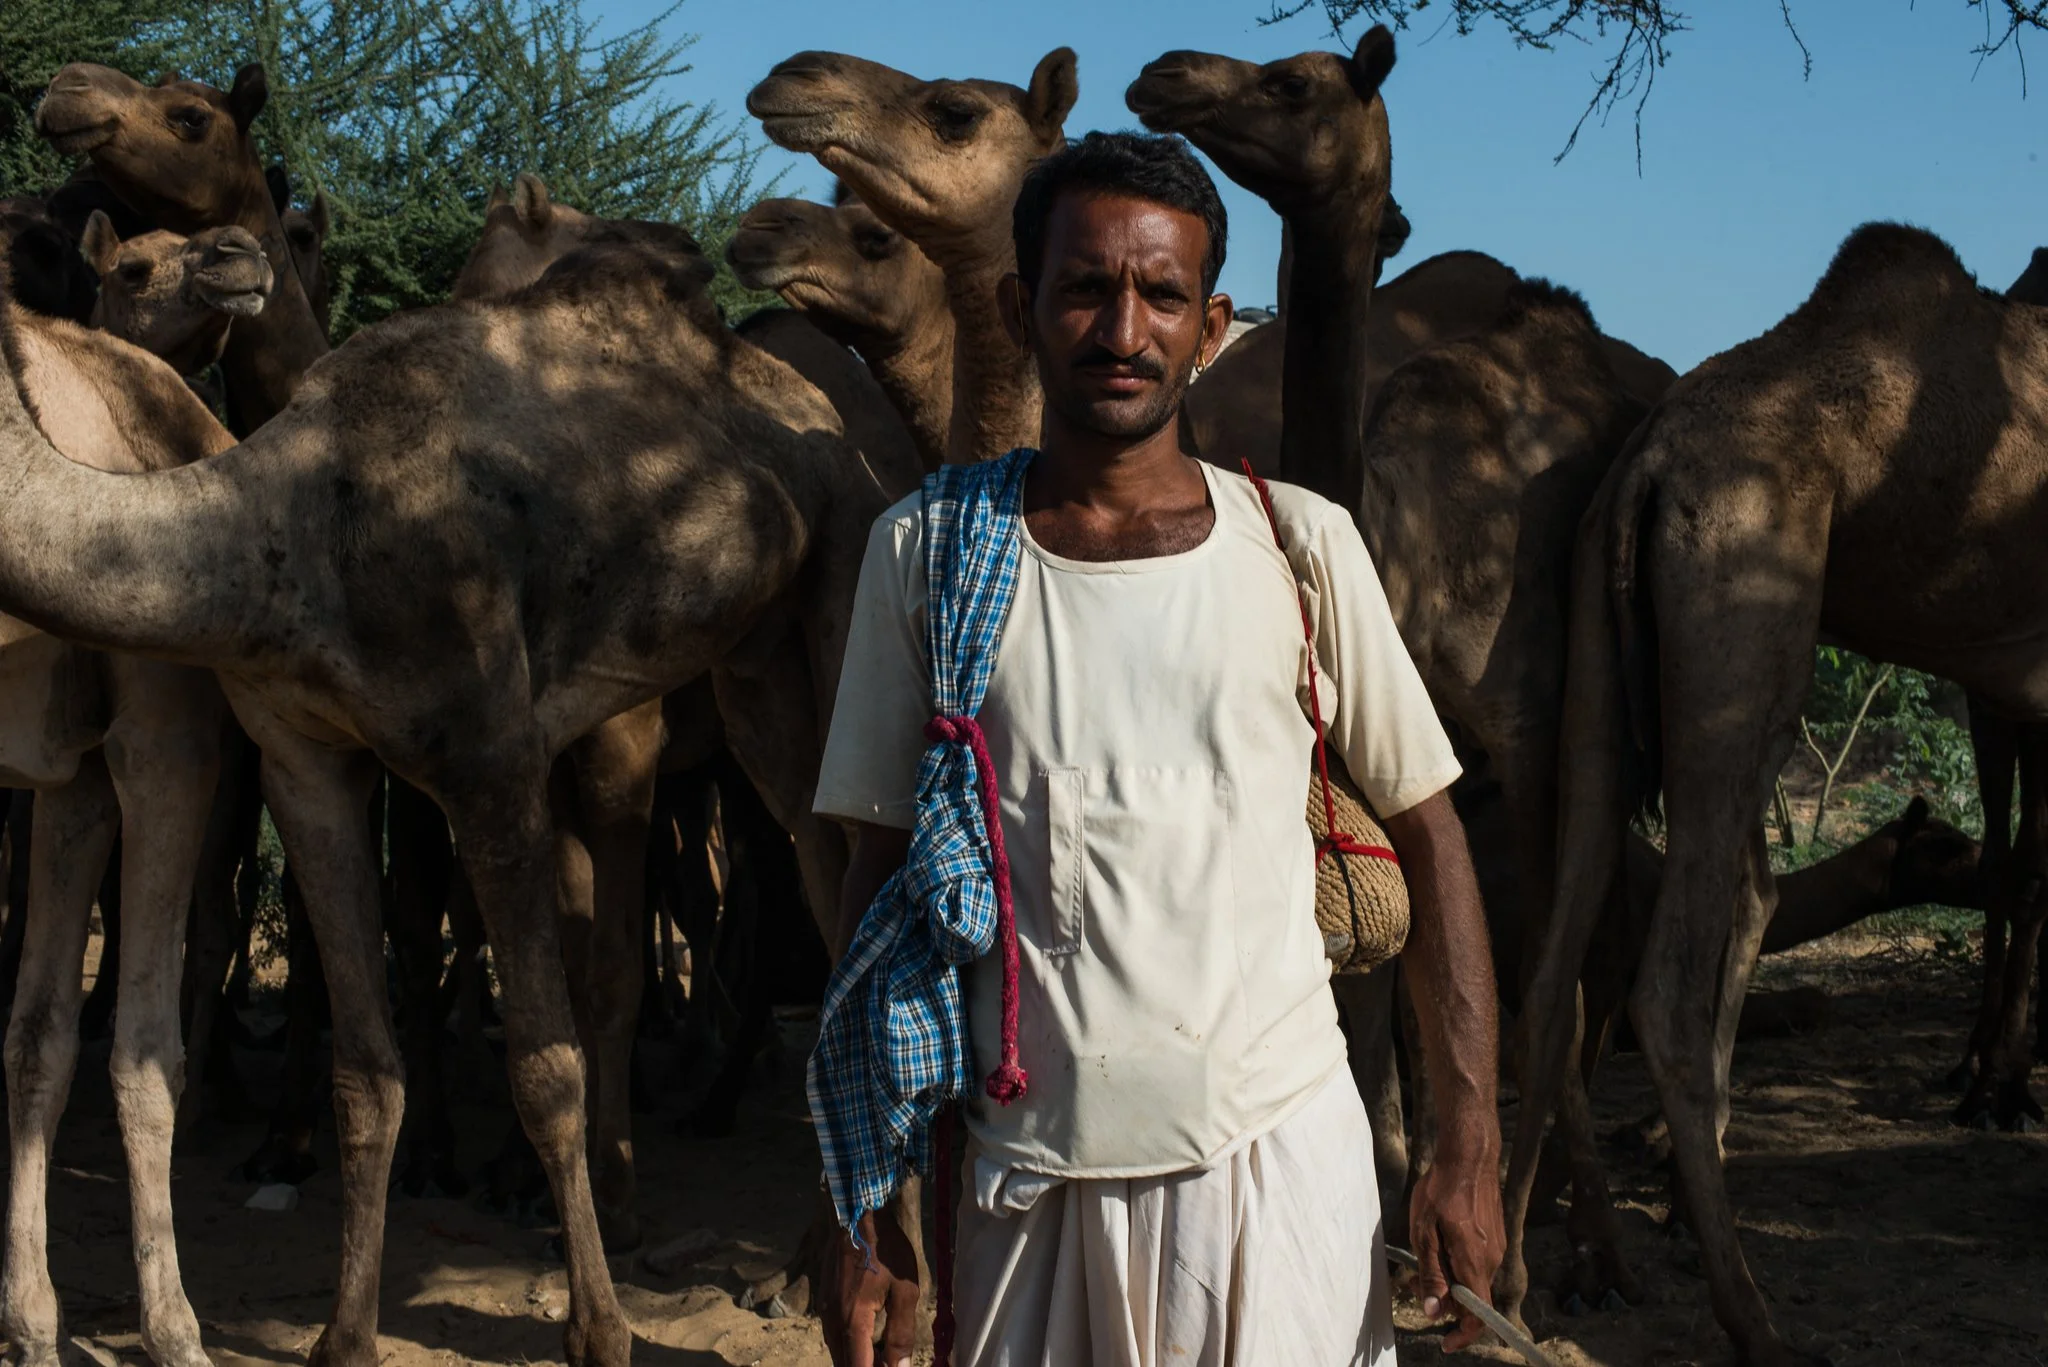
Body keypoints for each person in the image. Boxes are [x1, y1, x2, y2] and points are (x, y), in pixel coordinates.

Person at [809, 129, 1504, 1367]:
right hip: (1025, 1180)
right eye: (1084, 287)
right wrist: (859, 1196)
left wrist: (1469, 1142)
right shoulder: (927, 558)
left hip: (1274, 1159)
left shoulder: (1296, 546)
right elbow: (874, 879)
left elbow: (1428, 829)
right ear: (1023, 307)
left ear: (1211, 322)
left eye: (1159, 294)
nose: (1120, 329)